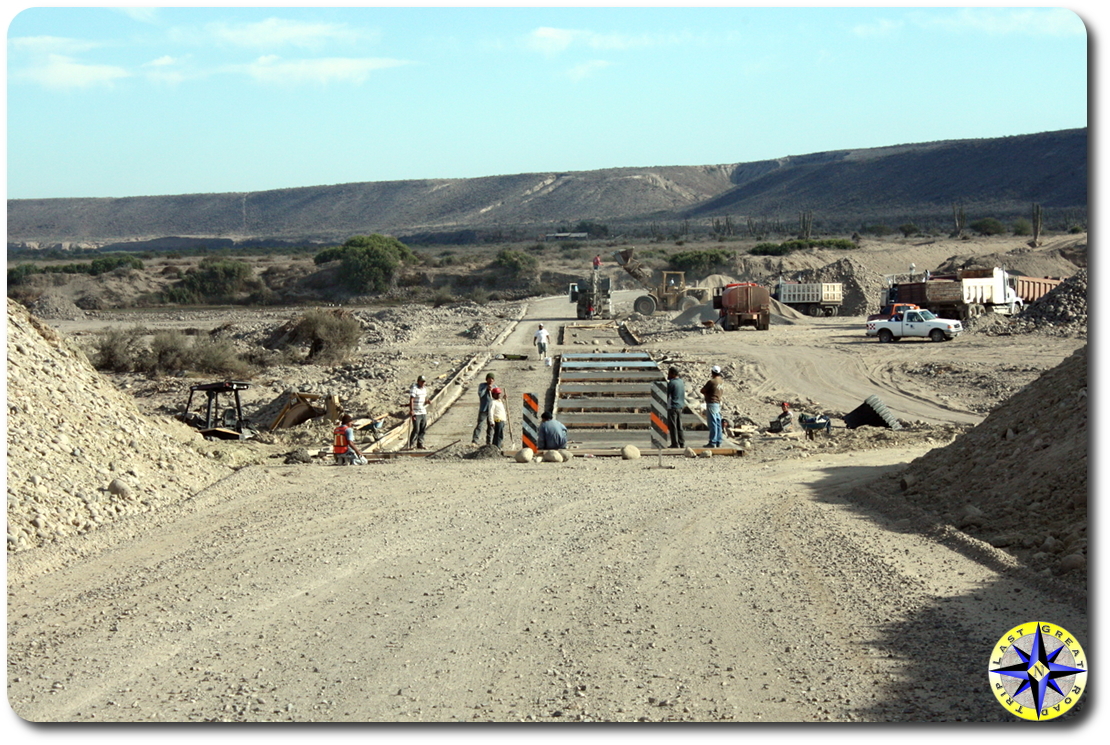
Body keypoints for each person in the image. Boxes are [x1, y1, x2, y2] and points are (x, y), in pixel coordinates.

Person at [700, 365, 724, 448]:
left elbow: (702, 390)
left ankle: (712, 442)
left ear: (712, 372)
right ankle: (719, 441)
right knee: (718, 423)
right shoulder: (721, 381)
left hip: (711, 403)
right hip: (717, 403)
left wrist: (706, 394)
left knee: (712, 423)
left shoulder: (712, 382)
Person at [471, 372, 495, 446]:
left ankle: (489, 442)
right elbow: (480, 394)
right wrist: (486, 389)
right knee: (480, 425)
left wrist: (493, 391)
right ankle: (475, 441)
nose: (491, 380)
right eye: (489, 379)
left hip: (491, 410)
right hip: (483, 409)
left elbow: (496, 397)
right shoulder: (482, 386)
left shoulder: (495, 387)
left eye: (492, 379)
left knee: (491, 426)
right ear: (486, 379)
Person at [666, 367, 686, 449]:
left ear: (673, 374)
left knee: (673, 426)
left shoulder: (672, 383)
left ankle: (674, 443)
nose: (668, 375)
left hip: (673, 407)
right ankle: (682, 443)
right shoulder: (681, 382)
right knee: (679, 426)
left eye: (669, 373)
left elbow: (666, 394)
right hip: (680, 406)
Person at [407, 375, 428, 449]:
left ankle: (420, 444)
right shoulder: (414, 389)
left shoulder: (424, 389)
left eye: (424, 382)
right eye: (421, 381)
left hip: (423, 411)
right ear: (418, 381)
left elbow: (424, 398)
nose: (423, 383)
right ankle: (411, 444)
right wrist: (411, 410)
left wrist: (427, 401)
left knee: (423, 428)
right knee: (416, 429)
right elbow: (411, 399)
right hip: (416, 412)